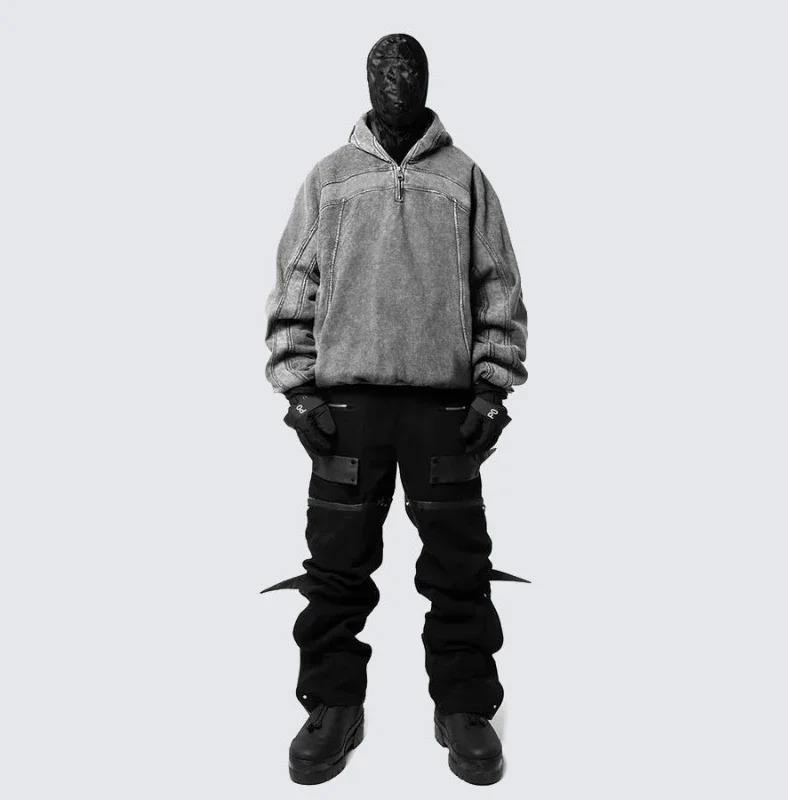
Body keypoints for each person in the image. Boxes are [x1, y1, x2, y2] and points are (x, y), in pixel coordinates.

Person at [263, 32, 529, 786]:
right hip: (346, 408)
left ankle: (465, 705)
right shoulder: (331, 179)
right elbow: (296, 283)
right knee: (336, 568)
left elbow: (498, 284)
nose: (398, 83)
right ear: (367, 81)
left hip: (444, 410)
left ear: (428, 81)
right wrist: (298, 389)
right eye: (386, 71)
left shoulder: (464, 178)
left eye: (411, 71)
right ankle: (332, 704)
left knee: (459, 568)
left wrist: (491, 389)